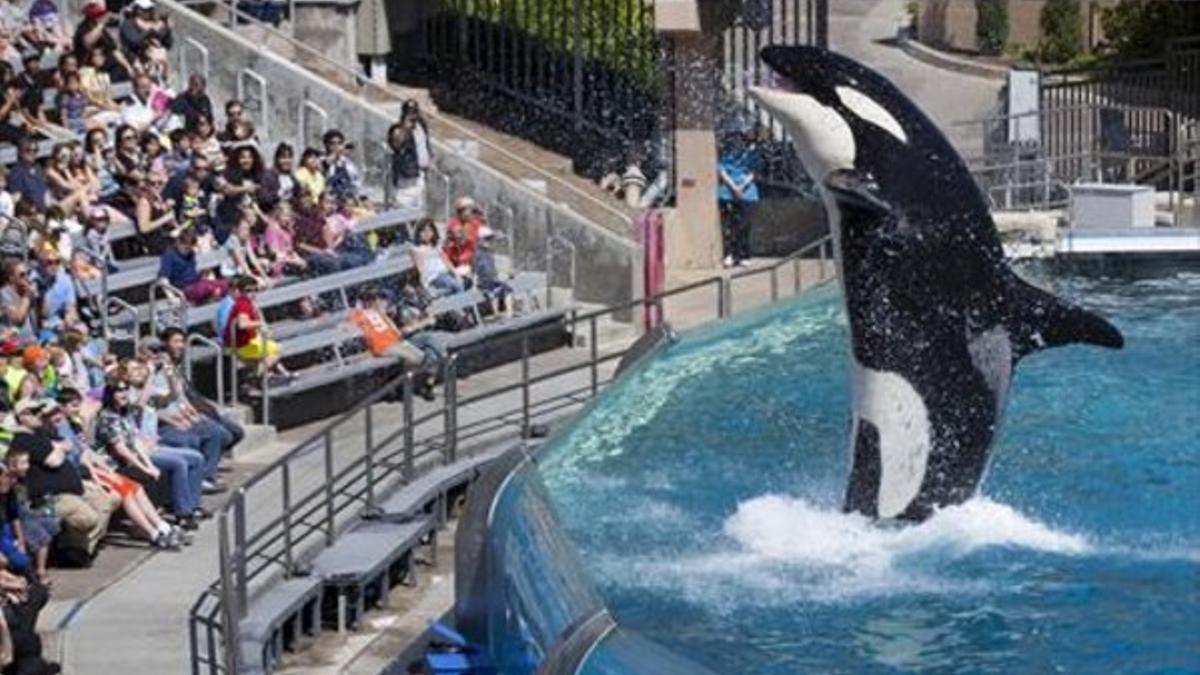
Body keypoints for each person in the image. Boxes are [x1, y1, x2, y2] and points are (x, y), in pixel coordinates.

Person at [54, 388, 187, 549]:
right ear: (61, 406)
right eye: (73, 406)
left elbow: (87, 451)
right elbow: (80, 458)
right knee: (125, 492)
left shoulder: (74, 425)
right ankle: (153, 533)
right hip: (82, 474)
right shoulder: (61, 428)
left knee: (135, 487)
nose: (77, 409)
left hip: (97, 468)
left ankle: (162, 526)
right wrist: (100, 474)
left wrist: (106, 468)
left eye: (78, 405)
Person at [5, 398, 121, 563]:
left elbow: (73, 444)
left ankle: (82, 548)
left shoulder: (41, 434)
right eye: (35, 412)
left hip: (74, 488)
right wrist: (61, 448)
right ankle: (72, 550)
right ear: (22, 416)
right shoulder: (22, 439)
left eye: (40, 411)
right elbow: (53, 461)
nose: (40, 415)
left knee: (110, 500)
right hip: (50, 496)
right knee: (88, 518)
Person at [93, 380, 205, 531]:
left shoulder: (126, 413)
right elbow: (121, 450)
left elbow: (136, 441)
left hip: (143, 453)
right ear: (110, 395)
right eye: (119, 392)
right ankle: (183, 513)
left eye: (126, 390)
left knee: (196, 458)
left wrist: (149, 465)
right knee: (178, 463)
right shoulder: (107, 417)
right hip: (122, 462)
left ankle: (193, 506)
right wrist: (145, 468)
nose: (123, 394)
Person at [159, 327, 244, 454]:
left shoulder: (176, 364)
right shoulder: (163, 366)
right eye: (175, 342)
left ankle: (209, 457)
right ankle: (206, 465)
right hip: (179, 414)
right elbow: (175, 397)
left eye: (182, 341)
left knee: (237, 432)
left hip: (198, 407)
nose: (180, 345)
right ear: (165, 343)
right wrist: (190, 414)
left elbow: (185, 393)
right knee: (222, 435)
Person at [225, 276, 291, 382]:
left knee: (266, 351)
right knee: (278, 349)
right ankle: (257, 377)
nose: (253, 293)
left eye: (255, 289)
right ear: (241, 291)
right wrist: (260, 323)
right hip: (240, 345)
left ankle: (270, 377)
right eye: (248, 290)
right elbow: (243, 324)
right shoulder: (243, 304)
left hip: (240, 342)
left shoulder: (246, 303)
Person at [717, 124, 760, 268]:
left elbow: (753, 172)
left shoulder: (751, 154)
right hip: (727, 193)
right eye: (734, 139)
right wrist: (733, 187)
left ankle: (743, 254)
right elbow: (722, 171)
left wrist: (741, 187)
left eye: (740, 138)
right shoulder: (725, 155)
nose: (737, 142)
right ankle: (729, 254)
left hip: (748, 194)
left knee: (744, 225)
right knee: (729, 225)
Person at [158, 230, 225, 304]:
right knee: (206, 288)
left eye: (190, 248)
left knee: (225, 284)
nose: (188, 251)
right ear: (178, 242)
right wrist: (172, 298)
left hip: (197, 283)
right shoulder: (169, 255)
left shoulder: (190, 253)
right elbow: (163, 278)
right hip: (184, 288)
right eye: (186, 248)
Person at [386, 99, 430, 210]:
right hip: (406, 176)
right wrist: (405, 127)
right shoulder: (397, 129)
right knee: (403, 207)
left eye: (414, 112)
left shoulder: (421, 127)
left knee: (419, 209)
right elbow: (396, 144)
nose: (412, 115)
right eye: (409, 112)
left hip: (420, 174)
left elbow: (424, 146)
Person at [409, 219, 464, 297]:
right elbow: (420, 267)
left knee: (463, 282)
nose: (427, 234)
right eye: (424, 231)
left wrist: (456, 274)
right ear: (419, 233)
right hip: (434, 277)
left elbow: (446, 261)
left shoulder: (436, 246)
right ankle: (459, 305)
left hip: (445, 274)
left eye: (430, 231)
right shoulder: (417, 249)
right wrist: (425, 284)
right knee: (456, 286)